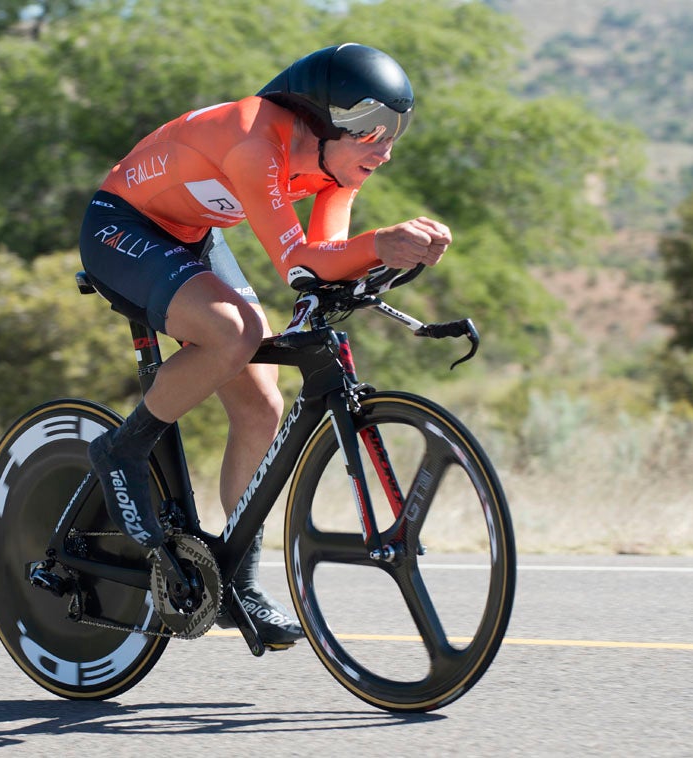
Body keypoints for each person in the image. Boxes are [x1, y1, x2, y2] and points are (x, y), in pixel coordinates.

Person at [78, 43, 451, 649]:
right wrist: (383, 242)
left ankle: (238, 582)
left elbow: (327, 264)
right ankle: (122, 450)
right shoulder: (258, 143)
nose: (384, 150)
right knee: (236, 332)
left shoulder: (337, 168)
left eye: (396, 133)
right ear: (323, 121)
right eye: (371, 133)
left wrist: (382, 260)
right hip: (120, 225)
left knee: (262, 405)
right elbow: (298, 260)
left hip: (190, 236)